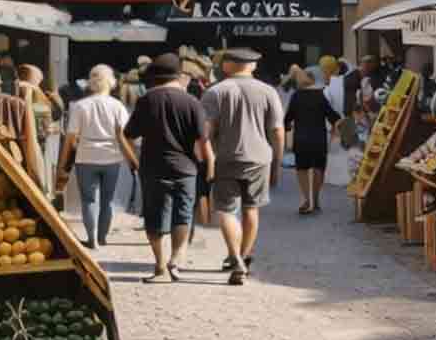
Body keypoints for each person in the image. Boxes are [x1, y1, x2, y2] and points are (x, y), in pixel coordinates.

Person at [200, 47, 284, 285]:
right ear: (253, 66)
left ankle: (234, 256)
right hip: (259, 159)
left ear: (226, 65)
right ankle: (244, 256)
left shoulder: (214, 92)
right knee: (251, 208)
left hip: (226, 158)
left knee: (225, 210)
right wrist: (277, 161)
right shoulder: (269, 92)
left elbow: (206, 131)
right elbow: (277, 131)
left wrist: (207, 159)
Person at [125, 54, 211, 283]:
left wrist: (133, 159)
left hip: (153, 167)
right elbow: (203, 141)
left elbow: (128, 134)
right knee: (183, 215)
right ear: (179, 75)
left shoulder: (146, 101)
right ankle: (176, 259)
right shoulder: (193, 102)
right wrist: (207, 166)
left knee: (154, 218)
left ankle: (160, 265)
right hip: (186, 168)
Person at [60, 64, 137, 250]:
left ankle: (92, 239)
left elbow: (71, 138)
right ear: (111, 83)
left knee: (88, 200)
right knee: (107, 201)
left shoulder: (79, 106)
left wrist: (62, 165)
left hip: (85, 157)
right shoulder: (118, 106)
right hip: (112, 158)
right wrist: (132, 159)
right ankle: (102, 237)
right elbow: (126, 136)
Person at [284, 66, 340, 216]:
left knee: (302, 169)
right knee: (318, 169)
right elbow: (334, 117)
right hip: (318, 139)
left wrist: (287, 127)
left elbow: (288, 118)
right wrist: (336, 130)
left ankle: (306, 199)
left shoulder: (296, 96)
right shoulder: (320, 96)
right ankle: (315, 199)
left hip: (301, 139)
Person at [15, 63, 61, 194]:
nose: (41, 78)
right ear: (31, 77)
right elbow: (37, 114)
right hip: (34, 140)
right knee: (38, 173)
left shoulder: (31, 91)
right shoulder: (27, 90)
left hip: (41, 139)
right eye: (38, 76)